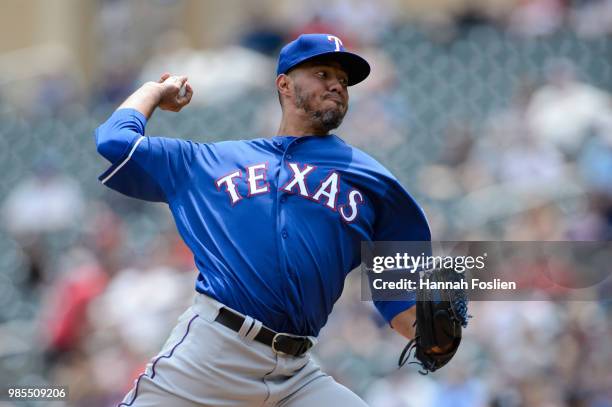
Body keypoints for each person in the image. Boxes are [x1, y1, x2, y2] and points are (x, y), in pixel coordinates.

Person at [94, 33, 430, 406]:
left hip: (296, 374)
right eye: (322, 73)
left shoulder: (372, 180)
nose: (337, 84)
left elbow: (405, 304)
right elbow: (114, 141)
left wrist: (436, 331)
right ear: (284, 84)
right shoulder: (209, 163)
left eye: (344, 81)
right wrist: (154, 91)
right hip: (211, 357)